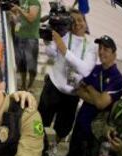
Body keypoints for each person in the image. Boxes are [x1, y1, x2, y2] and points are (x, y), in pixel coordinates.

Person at [50, 35, 122, 156]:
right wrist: (95, 96)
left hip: (96, 130)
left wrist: (90, 89)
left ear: (114, 54)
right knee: (73, 149)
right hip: (82, 120)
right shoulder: (96, 69)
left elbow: (101, 104)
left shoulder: (118, 80)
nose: (102, 52)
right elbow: (79, 91)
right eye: (100, 48)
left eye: (106, 49)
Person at [38, 8, 97, 143]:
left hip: (72, 95)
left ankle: (54, 146)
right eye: (73, 20)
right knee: (40, 120)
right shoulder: (63, 35)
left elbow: (85, 70)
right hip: (53, 87)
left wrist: (64, 50)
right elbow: (51, 53)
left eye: (80, 20)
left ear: (86, 23)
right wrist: (48, 41)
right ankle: (37, 143)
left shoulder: (91, 47)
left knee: (63, 128)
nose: (77, 23)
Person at [10, 0, 41, 90]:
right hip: (19, 37)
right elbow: (20, 21)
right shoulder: (24, 2)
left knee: (31, 65)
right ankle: (23, 85)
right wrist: (13, 17)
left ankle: (30, 86)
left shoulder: (34, 2)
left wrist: (18, 9)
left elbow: (31, 18)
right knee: (21, 64)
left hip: (30, 38)